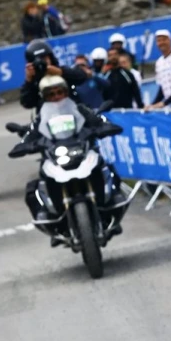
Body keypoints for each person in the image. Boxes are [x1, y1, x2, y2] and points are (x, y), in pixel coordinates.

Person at [20, 76, 125, 243]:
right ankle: (53, 219)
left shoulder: (80, 109)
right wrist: (24, 144)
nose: (56, 97)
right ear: (44, 97)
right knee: (33, 188)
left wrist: (103, 126)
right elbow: (30, 135)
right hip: (56, 158)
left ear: (66, 92)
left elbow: (97, 120)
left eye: (59, 92)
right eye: (51, 94)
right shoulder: (40, 119)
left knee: (108, 169)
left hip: (83, 152)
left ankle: (111, 204)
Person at [20, 39, 88, 110]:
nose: (42, 62)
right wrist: (29, 81)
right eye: (37, 60)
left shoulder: (60, 71)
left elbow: (82, 77)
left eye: (44, 58)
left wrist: (61, 72)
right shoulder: (34, 81)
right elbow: (27, 103)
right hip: (47, 114)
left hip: (71, 110)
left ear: (51, 58)